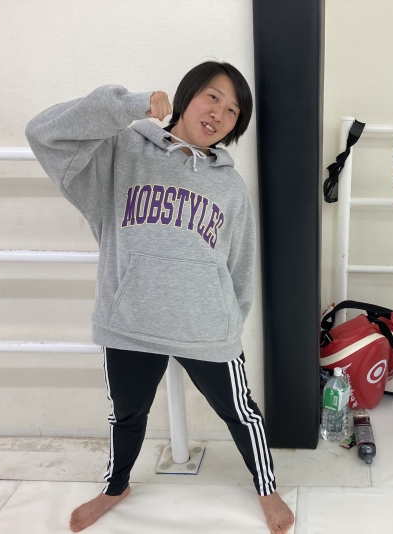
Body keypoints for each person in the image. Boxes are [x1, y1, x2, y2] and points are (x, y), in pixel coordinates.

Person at [26, 61, 294, 534]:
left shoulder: (230, 187)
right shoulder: (121, 153)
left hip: (206, 330)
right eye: (213, 97)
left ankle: (267, 488)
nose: (219, 114)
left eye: (233, 111)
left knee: (241, 413)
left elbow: (240, 266)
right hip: (129, 322)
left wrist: (227, 324)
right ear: (187, 95)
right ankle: (116, 487)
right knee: (127, 415)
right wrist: (128, 106)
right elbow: (44, 133)